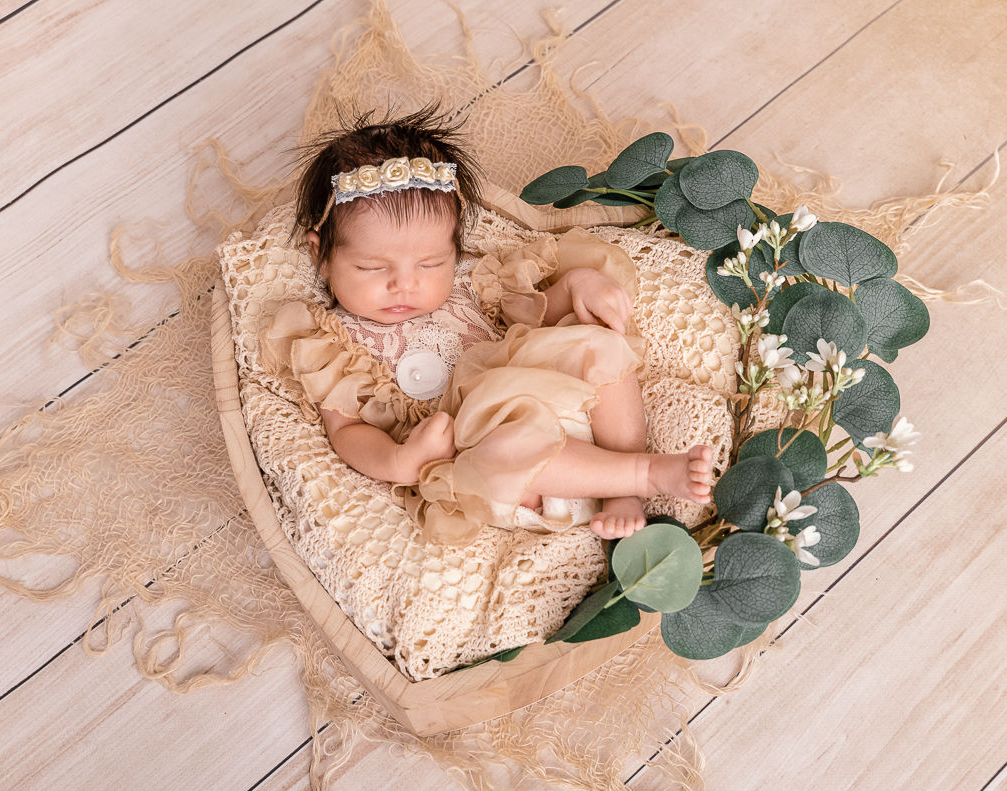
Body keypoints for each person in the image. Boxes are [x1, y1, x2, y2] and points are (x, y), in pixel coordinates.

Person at [261, 106, 712, 545]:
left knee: (598, 341)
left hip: (572, 416)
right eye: (371, 268)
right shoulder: (335, 344)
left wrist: (576, 286)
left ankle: (623, 487)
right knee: (499, 441)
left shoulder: (473, 286)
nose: (404, 284)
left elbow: (537, 318)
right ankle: (646, 473)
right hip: (501, 470)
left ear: (454, 250)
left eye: (429, 262)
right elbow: (347, 433)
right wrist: (401, 460)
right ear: (321, 256)